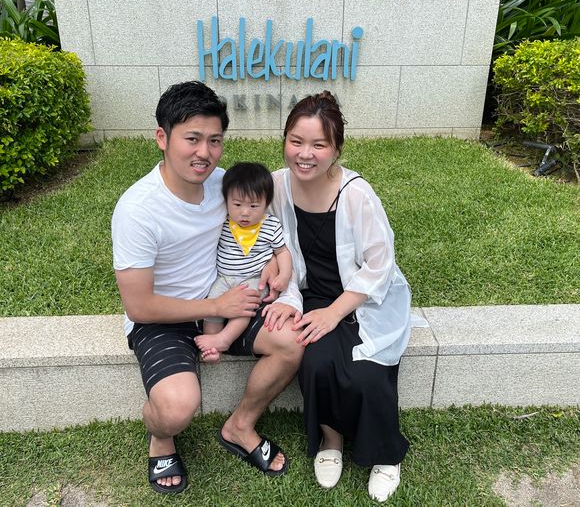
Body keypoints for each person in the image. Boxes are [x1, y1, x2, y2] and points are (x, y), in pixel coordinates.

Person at [111, 81, 302, 495]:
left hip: (230, 301)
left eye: (214, 140)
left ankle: (240, 426)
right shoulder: (137, 210)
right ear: (162, 138)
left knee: (292, 342)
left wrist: (274, 270)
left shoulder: (224, 186)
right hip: (164, 318)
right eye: (192, 139)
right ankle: (161, 439)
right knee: (176, 409)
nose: (205, 152)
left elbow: (258, 232)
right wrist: (215, 304)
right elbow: (139, 306)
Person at [262, 91, 412, 503]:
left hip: (362, 298)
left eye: (318, 144)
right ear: (284, 140)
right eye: (296, 141)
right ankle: (331, 440)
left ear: (336, 149)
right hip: (308, 294)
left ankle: (385, 454)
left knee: (367, 371)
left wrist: (334, 313)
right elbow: (269, 244)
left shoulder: (356, 193)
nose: (304, 154)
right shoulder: (275, 186)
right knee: (316, 360)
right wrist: (281, 286)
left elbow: (380, 264)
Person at [194, 162, 293, 362]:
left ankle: (224, 339)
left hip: (254, 279)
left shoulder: (270, 225)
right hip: (223, 277)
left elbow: (282, 252)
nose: (245, 212)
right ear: (226, 201)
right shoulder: (223, 222)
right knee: (212, 304)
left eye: (254, 206)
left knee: (245, 307)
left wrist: (284, 275)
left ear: (266, 203)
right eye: (237, 205)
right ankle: (212, 347)